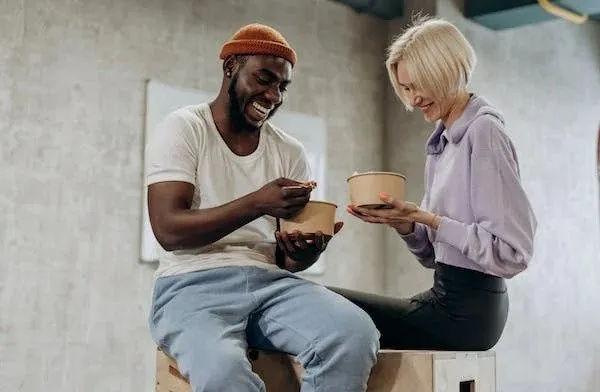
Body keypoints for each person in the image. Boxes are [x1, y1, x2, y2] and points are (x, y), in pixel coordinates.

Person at [145, 23, 380, 392]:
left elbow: (288, 262)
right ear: (230, 68)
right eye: (264, 79)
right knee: (223, 373)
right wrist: (257, 202)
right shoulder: (184, 128)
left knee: (353, 333)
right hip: (190, 285)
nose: (273, 95)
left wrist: (304, 252)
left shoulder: (290, 152)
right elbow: (168, 229)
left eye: (282, 86)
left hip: (271, 284)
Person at [341, 16, 538, 350]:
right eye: (405, 88)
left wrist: (430, 219)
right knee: (323, 306)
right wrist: (406, 224)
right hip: (446, 298)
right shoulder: (441, 143)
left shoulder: (483, 132)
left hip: (471, 312)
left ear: (447, 71)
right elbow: (435, 256)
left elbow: (512, 253)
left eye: (419, 84)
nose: (413, 98)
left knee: (328, 305)